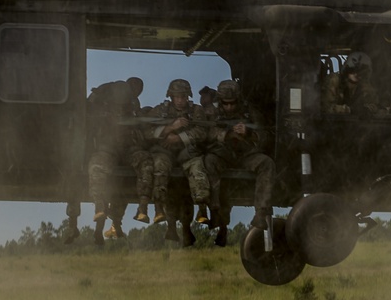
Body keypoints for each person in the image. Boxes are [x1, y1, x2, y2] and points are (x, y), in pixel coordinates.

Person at [78, 77, 151, 245]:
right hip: (107, 150)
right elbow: (88, 120)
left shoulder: (134, 105)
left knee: (125, 184)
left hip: (126, 151)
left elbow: (139, 127)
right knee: (98, 171)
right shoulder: (101, 102)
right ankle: (100, 213)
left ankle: (128, 216)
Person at [202, 79, 274, 247]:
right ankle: (215, 212)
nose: (229, 108)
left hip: (246, 156)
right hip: (223, 155)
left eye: (232, 104)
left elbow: (266, 136)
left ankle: (261, 213)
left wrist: (249, 133)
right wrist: (225, 135)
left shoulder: (251, 112)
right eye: (225, 104)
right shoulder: (211, 112)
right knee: (209, 161)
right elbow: (204, 132)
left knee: (267, 163)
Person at [144, 79, 208, 246]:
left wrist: (179, 138)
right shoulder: (161, 111)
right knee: (160, 166)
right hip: (166, 155)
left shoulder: (196, 111)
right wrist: (170, 128)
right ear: (171, 97)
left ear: (188, 96)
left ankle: (203, 210)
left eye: (183, 96)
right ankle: (158, 209)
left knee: (198, 170)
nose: (180, 100)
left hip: (188, 156)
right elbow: (146, 131)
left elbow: (203, 132)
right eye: (176, 97)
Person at [323, 52, 380, 117]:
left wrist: (366, 109)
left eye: (361, 71)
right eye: (352, 70)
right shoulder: (334, 81)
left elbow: (375, 106)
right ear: (347, 69)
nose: (356, 74)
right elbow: (326, 108)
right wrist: (349, 110)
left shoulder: (365, 86)